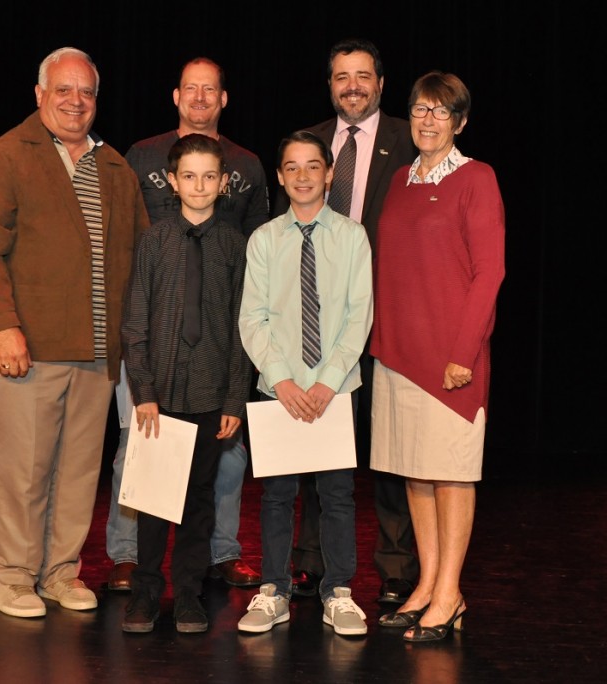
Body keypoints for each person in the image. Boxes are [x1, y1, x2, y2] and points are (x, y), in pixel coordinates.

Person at [0, 47, 149, 618]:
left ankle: (61, 573)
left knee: (77, 474)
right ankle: (11, 577)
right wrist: (4, 328)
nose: (75, 101)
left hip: (97, 354)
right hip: (29, 349)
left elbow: (140, 259)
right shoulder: (6, 156)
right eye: (63, 90)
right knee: (24, 472)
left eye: (86, 92)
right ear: (39, 95)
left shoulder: (113, 165)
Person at [105, 57, 268, 593]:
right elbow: (125, 237)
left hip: (215, 349)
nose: (200, 97)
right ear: (176, 96)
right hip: (154, 339)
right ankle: (129, 556)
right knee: (139, 445)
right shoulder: (142, 155)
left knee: (224, 456)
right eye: (191, 89)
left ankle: (218, 553)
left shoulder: (247, 164)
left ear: (224, 99)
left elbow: (253, 256)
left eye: (211, 90)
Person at [272, 38, 418, 605]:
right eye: (341, 76)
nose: (351, 85)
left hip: (388, 321)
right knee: (311, 443)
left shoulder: (412, 141)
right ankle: (309, 561)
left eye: (362, 76)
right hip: (314, 323)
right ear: (329, 85)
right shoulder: (306, 144)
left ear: (381, 84)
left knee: (387, 449)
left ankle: (397, 566)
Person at [370, 71, 505, 642]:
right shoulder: (400, 178)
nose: (427, 120)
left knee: (450, 478)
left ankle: (449, 593)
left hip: (450, 360)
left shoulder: (478, 178)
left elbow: (489, 271)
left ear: (460, 121)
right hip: (397, 354)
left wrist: (463, 352)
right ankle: (426, 584)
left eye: (440, 111)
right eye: (419, 109)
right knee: (415, 476)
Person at [237, 130, 372, 637]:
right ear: (279, 176)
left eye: (312, 166)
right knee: (276, 496)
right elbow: (253, 319)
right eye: (291, 167)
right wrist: (284, 380)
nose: (302, 176)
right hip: (280, 389)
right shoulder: (265, 239)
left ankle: (338, 591)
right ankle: (274, 590)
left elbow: (359, 316)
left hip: (335, 390)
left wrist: (328, 382)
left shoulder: (353, 237)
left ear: (329, 174)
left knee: (337, 496)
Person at [120, 133, 253, 634]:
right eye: (189, 176)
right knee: (154, 501)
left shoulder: (236, 247)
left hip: (210, 394)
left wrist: (233, 398)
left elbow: (244, 328)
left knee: (199, 500)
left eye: (209, 177)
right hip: (161, 396)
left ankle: (190, 593)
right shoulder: (154, 242)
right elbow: (135, 322)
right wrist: (145, 393)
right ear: (172, 182)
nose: (199, 185)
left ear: (223, 183)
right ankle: (146, 592)